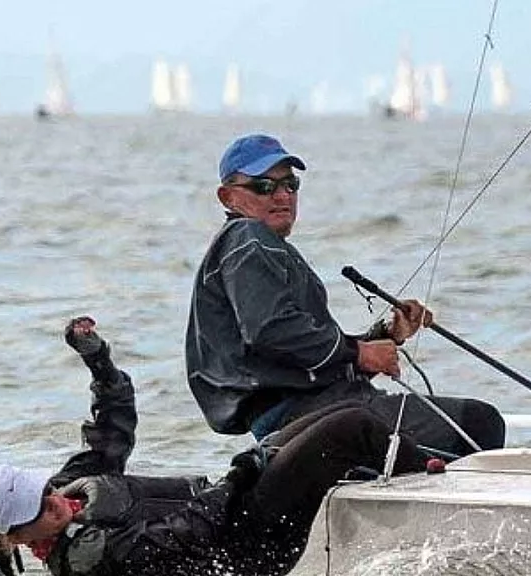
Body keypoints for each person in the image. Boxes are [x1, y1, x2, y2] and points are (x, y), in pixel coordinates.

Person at [0, 318, 424, 576]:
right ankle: (436, 487)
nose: (54, 503)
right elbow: (193, 531)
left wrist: (97, 360)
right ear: (18, 538)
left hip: (233, 500)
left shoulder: (70, 488)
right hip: (247, 545)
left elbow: (113, 427)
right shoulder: (92, 557)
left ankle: (429, 473)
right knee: (352, 426)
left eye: (43, 491)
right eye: (39, 511)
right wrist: (243, 471)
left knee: (337, 412)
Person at [185, 133, 505, 454]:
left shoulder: (253, 246)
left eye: (290, 185)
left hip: (312, 411)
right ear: (227, 197)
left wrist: (387, 335)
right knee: (480, 423)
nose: (282, 196)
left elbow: (300, 353)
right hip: (307, 414)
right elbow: (272, 331)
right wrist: (361, 353)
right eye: (264, 187)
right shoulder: (248, 237)